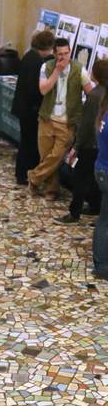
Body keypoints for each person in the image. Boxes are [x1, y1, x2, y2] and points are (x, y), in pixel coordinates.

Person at [28, 37, 96, 201]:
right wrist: (57, 71)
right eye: (60, 54)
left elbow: (91, 92)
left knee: (57, 156)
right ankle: (52, 189)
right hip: (47, 119)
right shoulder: (47, 67)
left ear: (70, 52)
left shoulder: (79, 70)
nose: (63, 57)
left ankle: (33, 177)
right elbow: (43, 90)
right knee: (46, 156)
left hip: (67, 122)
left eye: (66, 53)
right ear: (54, 53)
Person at [55, 58, 107, 223]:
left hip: (88, 144)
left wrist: (76, 146)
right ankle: (95, 206)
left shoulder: (94, 95)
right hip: (101, 145)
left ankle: (74, 212)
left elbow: (86, 125)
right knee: (93, 179)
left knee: (80, 177)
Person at [11, 29, 55, 185]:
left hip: (24, 107)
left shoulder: (30, 56)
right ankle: (26, 173)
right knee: (30, 143)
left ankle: (23, 173)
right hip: (30, 109)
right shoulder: (37, 62)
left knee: (26, 141)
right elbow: (34, 89)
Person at [93, 88, 108, 280]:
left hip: (101, 170)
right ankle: (102, 263)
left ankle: (100, 261)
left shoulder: (103, 114)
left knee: (104, 218)